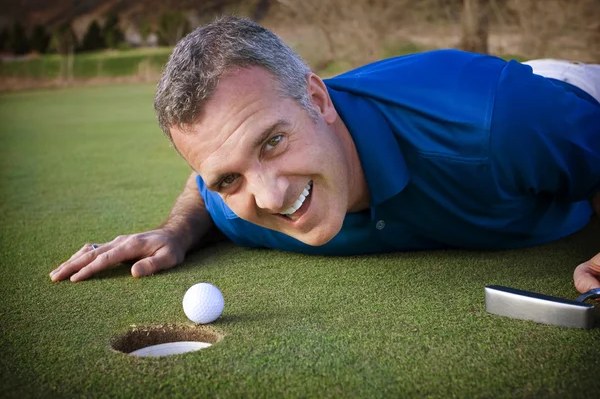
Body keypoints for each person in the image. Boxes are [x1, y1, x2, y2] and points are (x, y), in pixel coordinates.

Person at [49, 16, 600, 293]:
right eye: (229, 178)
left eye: (272, 141)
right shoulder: (245, 204)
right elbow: (202, 193)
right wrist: (176, 232)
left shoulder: (501, 125)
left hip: (560, 92)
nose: (272, 196)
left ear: (316, 99)